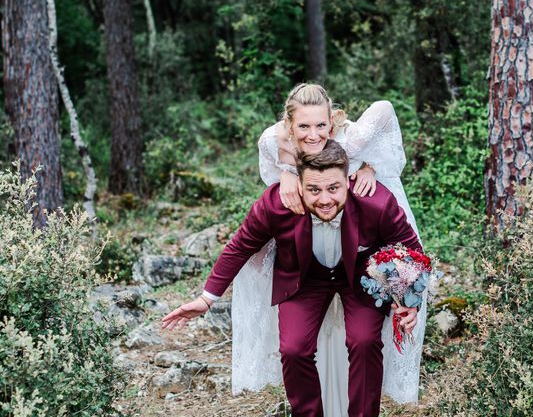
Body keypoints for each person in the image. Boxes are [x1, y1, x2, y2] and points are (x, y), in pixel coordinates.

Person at [162, 140, 422, 416]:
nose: (324, 199)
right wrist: (206, 299)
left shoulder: (377, 203)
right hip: (303, 279)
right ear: (299, 185)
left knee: (364, 341)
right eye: (313, 189)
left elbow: (412, 250)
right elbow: (240, 246)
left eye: (333, 188)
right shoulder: (276, 204)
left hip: (360, 278)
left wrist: (409, 301)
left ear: (348, 180)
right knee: (293, 349)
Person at [232, 84, 427, 415]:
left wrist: (370, 164)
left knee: (362, 338)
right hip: (311, 243)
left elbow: (384, 109)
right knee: (300, 342)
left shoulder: (351, 140)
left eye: (321, 126)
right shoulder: (281, 139)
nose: (313, 134)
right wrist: (287, 169)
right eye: (304, 127)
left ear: (331, 123)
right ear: (290, 126)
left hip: (362, 235)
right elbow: (269, 138)